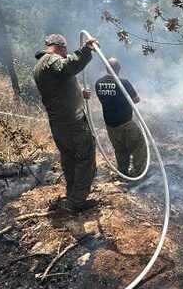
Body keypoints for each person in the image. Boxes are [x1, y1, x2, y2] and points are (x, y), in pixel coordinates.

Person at [33, 33, 100, 212]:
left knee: (70, 161)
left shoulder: (40, 65)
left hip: (59, 125)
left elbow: (59, 89)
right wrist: (85, 51)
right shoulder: (52, 59)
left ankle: (72, 197)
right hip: (72, 124)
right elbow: (66, 68)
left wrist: (80, 93)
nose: (65, 53)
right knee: (85, 160)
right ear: (61, 46)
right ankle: (76, 203)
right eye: (65, 50)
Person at [94, 57, 147, 179]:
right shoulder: (124, 82)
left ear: (106, 67)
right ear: (118, 69)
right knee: (139, 144)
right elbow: (136, 99)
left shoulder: (98, 83)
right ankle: (138, 172)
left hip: (110, 124)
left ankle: (123, 173)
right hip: (125, 123)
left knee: (120, 149)